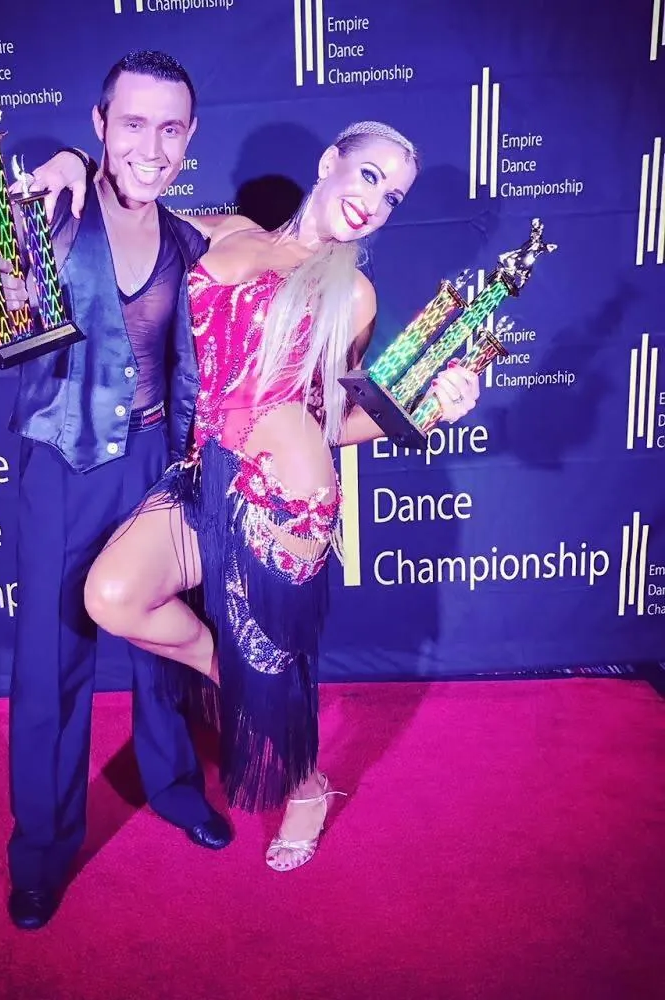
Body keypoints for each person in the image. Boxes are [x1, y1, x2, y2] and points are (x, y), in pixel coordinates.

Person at [42, 120, 481, 872]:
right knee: (112, 595)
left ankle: (305, 787)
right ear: (330, 162)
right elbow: (133, 202)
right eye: (370, 177)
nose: (376, 203)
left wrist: (431, 408)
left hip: (288, 500)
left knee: (273, 660)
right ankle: (236, 681)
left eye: (394, 197)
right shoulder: (225, 232)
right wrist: (74, 162)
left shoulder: (358, 293)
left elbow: (330, 423)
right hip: (201, 470)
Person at [0, 51, 233, 931]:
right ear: (100, 125)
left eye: (170, 127)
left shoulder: (192, 240)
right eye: (133, 123)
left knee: (158, 645)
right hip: (61, 466)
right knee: (51, 665)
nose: (152, 144)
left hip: (157, 463)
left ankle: (176, 787)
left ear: (190, 139)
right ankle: (41, 851)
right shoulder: (52, 210)